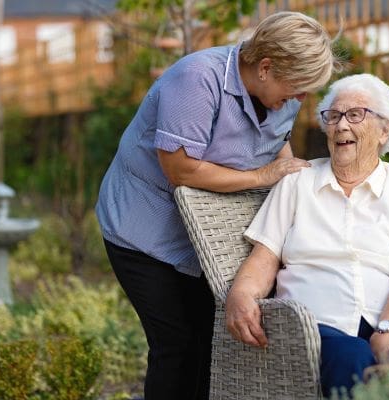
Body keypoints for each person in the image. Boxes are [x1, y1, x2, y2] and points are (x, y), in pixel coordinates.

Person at [95, 11, 337, 400]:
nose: (301, 98)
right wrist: (263, 177)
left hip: (211, 239)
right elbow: (180, 169)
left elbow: (278, 148)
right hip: (144, 231)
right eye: (297, 86)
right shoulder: (196, 80)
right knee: (177, 346)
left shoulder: (283, 94)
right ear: (265, 67)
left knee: (216, 344)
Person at [225, 73, 389, 398]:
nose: (341, 125)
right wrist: (240, 296)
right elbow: (264, 260)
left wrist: (387, 332)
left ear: (384, 129)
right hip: (320, 324)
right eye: (333, 116)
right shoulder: (296, 184)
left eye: (355, 114)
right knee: (352, 357)